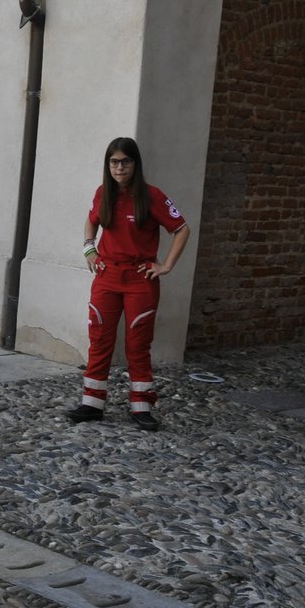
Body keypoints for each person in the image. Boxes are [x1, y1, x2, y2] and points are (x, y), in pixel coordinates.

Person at [66, 137, 191, 432]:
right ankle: (92, 404)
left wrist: (167, 266)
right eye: (113, 162)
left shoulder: (152, 196)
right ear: (108, 165)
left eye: (125, 162)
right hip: (107, 278)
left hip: (140, 280)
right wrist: (89, 249)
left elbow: (182, 229)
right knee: (100, 340)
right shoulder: (102, 194)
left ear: (135, 164)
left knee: (137, 344)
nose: (119, 167)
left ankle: (141, 406)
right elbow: (90, 222)